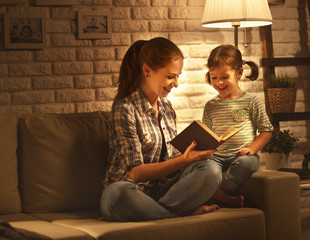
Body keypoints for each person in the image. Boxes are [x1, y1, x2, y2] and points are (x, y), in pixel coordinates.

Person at [100, 37, 222, 222]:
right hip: (129, 193)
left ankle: (155, 213)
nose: (176, 83)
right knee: (119, 192)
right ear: (147, 70)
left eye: (178, 76)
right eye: (170, 76)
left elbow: (171, 164)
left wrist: (193, 156)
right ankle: (180, 215)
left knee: (211, 169)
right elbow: (135, 174)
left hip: (161, 194)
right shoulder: (125, 111)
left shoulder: (166, 108)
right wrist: (183, 160)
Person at [203, 44, 273, 208]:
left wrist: (252, 149)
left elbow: (266, 130)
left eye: (224, 77)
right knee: (201, 167)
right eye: (214, 77)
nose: (219, 82)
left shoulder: (251, 101)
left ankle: (217, 193)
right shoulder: (210, 106)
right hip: (217, 158)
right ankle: (224, 197)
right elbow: (207, 136)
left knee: (244, 165)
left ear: (239, 73)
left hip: (243, 156)